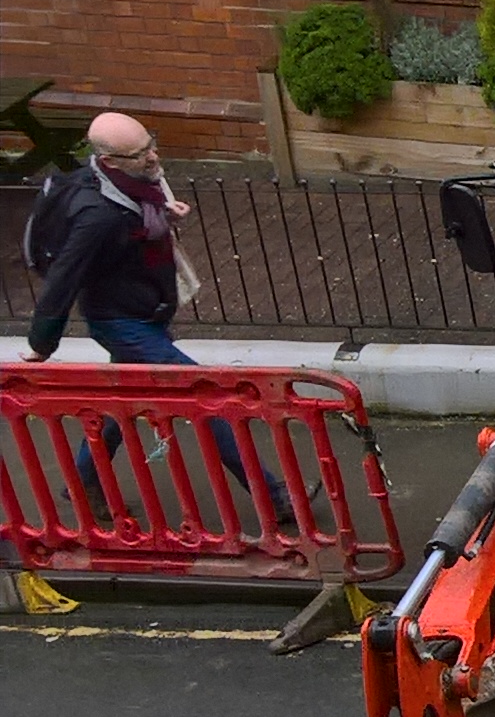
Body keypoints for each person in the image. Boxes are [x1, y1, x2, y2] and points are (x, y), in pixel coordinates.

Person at [20, 112, 296, 525]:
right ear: (109, 161)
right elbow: (62, 280)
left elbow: (134, 229)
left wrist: (165, 217)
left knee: (121, 404)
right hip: (122, 324)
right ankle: (276, 498)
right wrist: (42, 345)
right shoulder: (96, 215)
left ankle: (82, 485)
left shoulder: (127, 185)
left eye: (151, 143)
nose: (153, 156)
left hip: (142, 314)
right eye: (140, 153)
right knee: (205, 396)